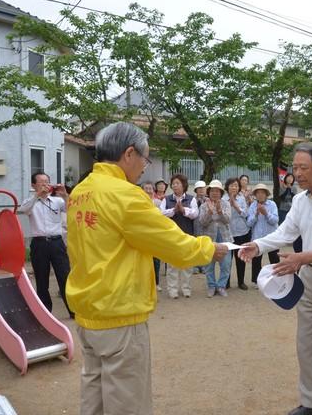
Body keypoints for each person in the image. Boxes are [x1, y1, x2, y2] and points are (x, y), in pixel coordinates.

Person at [66, 122, 227, 415]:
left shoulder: (81, 191)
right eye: (145, 158)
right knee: (128, 403)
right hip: (119, 313)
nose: (145, 166)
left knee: (94, 396)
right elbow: (172, 243)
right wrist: (208, 249)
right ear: (129, 154)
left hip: (89, 309)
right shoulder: (125, 195)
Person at [239, 142, 312, 415]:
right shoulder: (300, 199)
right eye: (294, 168)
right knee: (305, 345)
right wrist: (257, 246)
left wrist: (301, 258)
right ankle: (310, 403)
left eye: (303, 167)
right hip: (308, 280)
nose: (298, 173)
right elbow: (285, 232)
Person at [18, 172, 73, 317]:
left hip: (57, 243)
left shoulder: (57, 201)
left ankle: (73, 311)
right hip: (39, 244)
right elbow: (23, 210)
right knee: (42, 280)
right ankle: (45, 314)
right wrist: (37, 196)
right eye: (41, 182)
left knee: (65, 276)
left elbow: (72, 210)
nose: (45, 184)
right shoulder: (29, 202)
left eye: (47, 181)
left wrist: (65, 196)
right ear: (33, 185)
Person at [160, 173, 199, 299]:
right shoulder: (166, 199)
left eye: (178, 183)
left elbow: (195, 213)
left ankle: (186, 289)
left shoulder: (191, 199)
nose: (175, 186)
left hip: (187, 235)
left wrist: (183, 210)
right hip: (171, 236)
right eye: (173, 184)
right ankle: (173, 290)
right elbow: (161, 214)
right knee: (172, 265)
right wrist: (174, 210)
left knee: (187, 264)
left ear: (184, 185)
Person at [199, 179, 233, 297]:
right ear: (209, 192)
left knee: (226, 264)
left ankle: (221, 286)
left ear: (221, 193)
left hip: (225, 238)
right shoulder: (204, 205)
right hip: (209, 238)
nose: (215, 193)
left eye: (217, 191)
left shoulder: (226, 204)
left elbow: (228, 220)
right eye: (212, 190)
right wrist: (209, 211)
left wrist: (219, 211)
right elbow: (202, 222)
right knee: (209, 265)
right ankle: (212, 286)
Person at [246, 183, 280, 288]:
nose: (260, 195)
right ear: (255, 195)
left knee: (274, 259)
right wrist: (256, 214)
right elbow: (249, 223)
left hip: (271, 237)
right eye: (258, 193)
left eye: (262, 192)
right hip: (257, 237)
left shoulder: (272, 204)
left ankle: (277, 279)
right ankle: (257, 281)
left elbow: (275, 220)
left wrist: (266, 213)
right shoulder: (252, 205)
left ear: (266, 194)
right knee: (256, 260)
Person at [224, 177, 250, 290]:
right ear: (227, 187)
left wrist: (236, 206)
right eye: (231, 185)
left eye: (236, 185)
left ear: (239, 187)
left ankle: (241, 282)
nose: (234, 187)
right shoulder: (223, 198)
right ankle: (226, 282)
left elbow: (245, 214)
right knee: (226, 260)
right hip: (227, 232)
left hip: (241, 232)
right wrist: (230, 204)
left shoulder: (242, 198)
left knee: (240, 258)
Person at [141, 181, 162, 291]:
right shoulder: (138, 202)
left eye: (150, 188)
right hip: (142, 235)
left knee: (156, 261)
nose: (148, 190)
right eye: (146, 188)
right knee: (143, 260)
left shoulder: (158, 203)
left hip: (155, 234)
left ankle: (156, 283)